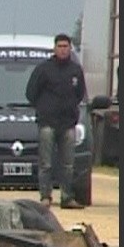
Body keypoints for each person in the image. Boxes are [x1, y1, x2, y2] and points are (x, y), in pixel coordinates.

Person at [25, 33, 87, 209]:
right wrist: (44, 108)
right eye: (59, 46)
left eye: (66, 46)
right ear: (54, 48)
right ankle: (45, 197)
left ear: (70, 48)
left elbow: (80, 93)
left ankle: (67, 197)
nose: (63, 49)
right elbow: (30, 93)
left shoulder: (75, 70)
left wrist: (69, 109)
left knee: (68, 164)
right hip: (47, 123)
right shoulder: (44, 69)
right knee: (46, 163)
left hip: (68, 124)